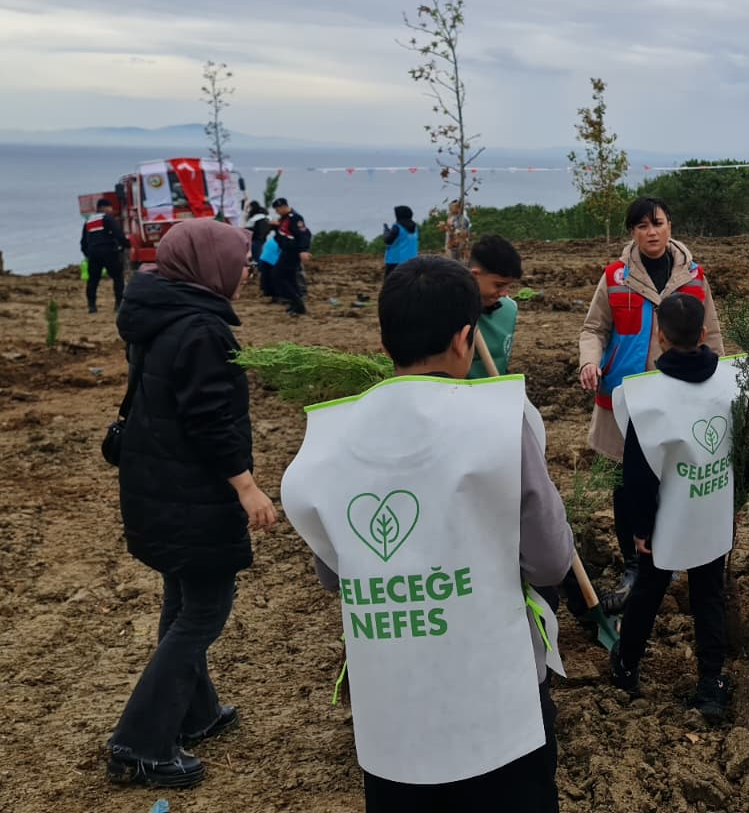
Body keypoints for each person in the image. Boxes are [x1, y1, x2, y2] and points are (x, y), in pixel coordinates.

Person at [279, 257, 572, 812]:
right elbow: (551, 561)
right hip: (499, 694)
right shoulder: (500, 422)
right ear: (465, 338)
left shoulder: (328, 443)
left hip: (394, 701)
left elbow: (335, 574)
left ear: (384, 341)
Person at [108, 219, 276, 789]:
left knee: (183, 599)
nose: (246, 271)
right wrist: (246, 486)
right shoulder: (203, 330)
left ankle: (195, 713)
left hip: (158, 486)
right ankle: (139, 744)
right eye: (239, 260)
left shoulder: (157, 312)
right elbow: (210, 421)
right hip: (191, 494)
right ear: (209, 266)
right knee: (204, 611)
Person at [578, 196, 724, 612]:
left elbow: (712, 333)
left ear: (669, 226)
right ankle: (633, 564)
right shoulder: (615, 277)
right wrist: (589, 361)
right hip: (626, 400)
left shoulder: (694, 276)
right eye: (642, 226)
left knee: (673, 478)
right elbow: (594, 328)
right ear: (633, 233)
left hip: (680, 398)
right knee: (627, 484)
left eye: (657, 223)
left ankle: (671, 556)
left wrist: (719, 385)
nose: (651, 232)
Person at [609, 293, 749, 722]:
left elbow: (637, 475)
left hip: (668, 519)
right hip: (713, 509)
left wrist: (641, 528)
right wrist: (736, 500)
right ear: (704, 334)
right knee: (708, 594)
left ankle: (626, 665)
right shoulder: (733, 379)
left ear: (660, 337)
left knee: (649, 591)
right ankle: (711, 685)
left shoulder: (646, 398)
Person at [468, 235, 522, 379]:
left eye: (508, 285)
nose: (504, 293)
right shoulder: (447, 312)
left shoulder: (509, 310)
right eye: (498, 285)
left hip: (494, 389)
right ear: (475, 275)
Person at [82, 197, 131, 313]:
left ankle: (92, 306)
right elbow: (118, 234)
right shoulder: (108, 218)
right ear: (103, 208)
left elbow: (83, 242)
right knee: (118, 277)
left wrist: (88, 254)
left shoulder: (88, 222)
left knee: (93, 280)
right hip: (109, 251)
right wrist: (126, 245)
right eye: (110, 207)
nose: (111, 210)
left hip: (94, 253)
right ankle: (118, 304)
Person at [270, 197, 312, 316]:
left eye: (278, 209)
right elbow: (282, 234)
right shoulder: (284, 219)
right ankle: (296, 304)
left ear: (283, 207)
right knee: (290, 278)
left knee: (278, 276)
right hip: (286, 251)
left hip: (292, 252)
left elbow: (303, 234)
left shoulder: (295, 218)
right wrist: (275, 227)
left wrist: (303, 250)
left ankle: (297, 302)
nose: (277, 212)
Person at [381, 205, 420, 275]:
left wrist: (386, 231)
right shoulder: (415, 227)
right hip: (412, 260)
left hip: (395, 261)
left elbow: (387, 240)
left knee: (391, 280)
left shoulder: (397, 227)